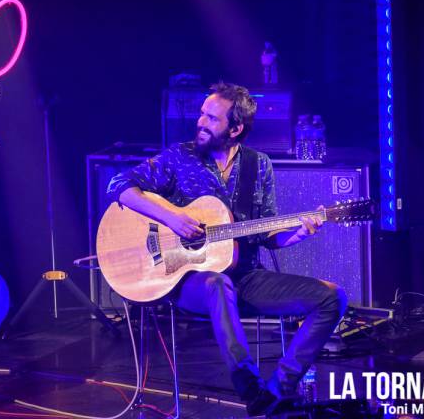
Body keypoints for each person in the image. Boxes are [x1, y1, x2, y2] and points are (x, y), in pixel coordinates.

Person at [107, 82, 347, 415]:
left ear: (235, 129)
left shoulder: (258, 165)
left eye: (211, 118)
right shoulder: (180, 157)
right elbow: (119, 186)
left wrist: (296, 235)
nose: (200, 122)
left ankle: (278, 390)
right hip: (187, 280)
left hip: (246, 276)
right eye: (202, 114)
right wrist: (174, 218)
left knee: (333, 297)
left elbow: (267, 232)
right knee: (218, 283)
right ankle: (247, 381)